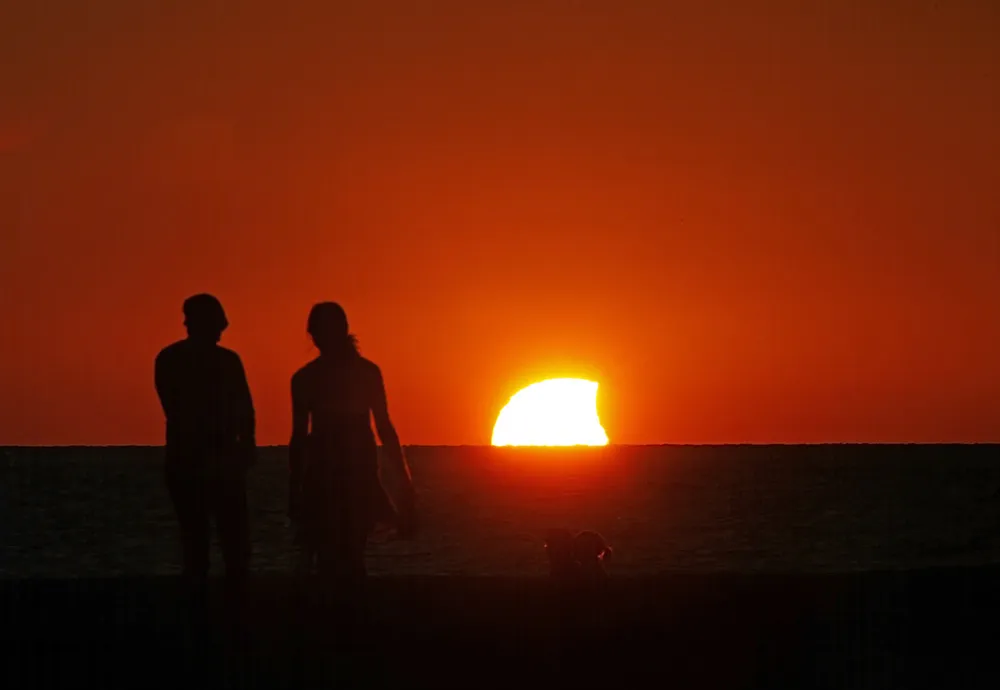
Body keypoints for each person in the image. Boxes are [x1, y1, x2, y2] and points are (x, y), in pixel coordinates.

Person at [288, 302, 416, 587]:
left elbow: (299, 438)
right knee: (346, 552)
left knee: (336, 553)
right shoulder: (360, 373)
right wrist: (404, 482)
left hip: (345, 473)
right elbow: (384, 429)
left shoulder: (309, 378)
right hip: (339, 473)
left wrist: (294, 487)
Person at [154, 294, 256, 608]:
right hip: (206, 459)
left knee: (203, 539)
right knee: (221, 539)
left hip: (194, 459)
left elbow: (243, 410)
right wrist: (244, 446)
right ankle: (226, 604)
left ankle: (209, 603)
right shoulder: (217, 361)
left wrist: (245, 445)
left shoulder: (171, 359)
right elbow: (243, 410)